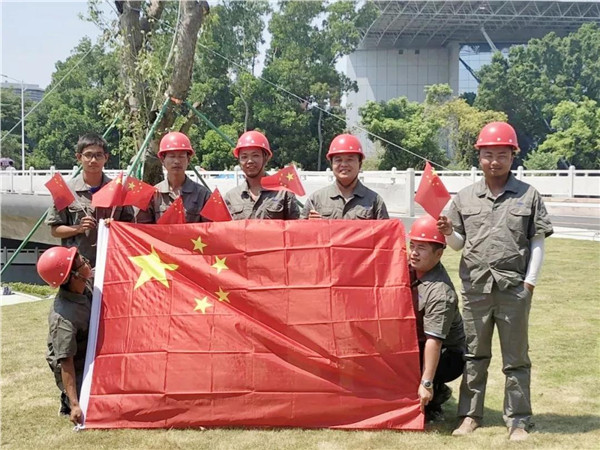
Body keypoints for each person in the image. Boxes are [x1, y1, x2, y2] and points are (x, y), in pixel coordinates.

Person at [437, 122, 553, 441]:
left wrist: (529, 284)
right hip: (476, 289)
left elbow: (538, 241)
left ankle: (518, 419)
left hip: (513, 289)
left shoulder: (528, 195)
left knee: (516, 359)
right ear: (479, 157)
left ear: (513, 156)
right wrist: (448, 233)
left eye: (502, 154)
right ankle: (469, 416)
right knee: (474, 356)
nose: (494, 161)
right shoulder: (464, 197)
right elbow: (459, 244)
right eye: (488, 154)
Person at [45, 133, 133, 267]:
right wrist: (78, 228)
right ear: (79, 157)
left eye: (98, 155)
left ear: (106, 157)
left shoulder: (117, 190)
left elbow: (131, 227)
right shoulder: (66, 190)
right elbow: (55, 230)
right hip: (78, 266)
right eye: (88, 155)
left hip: (111, 263)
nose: (93, 160)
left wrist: (116, 226)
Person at [408, 215, 465, 423]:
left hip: (447, 354)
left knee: (412, 366)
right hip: (420, 340)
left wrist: (427, 383)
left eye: (421, 248)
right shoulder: (410, 267)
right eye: (412, 245)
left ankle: (435, 394)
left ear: (439, 254)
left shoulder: (440, 292)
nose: (414, 253)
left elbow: (435, 340)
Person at [37, 246, 93, 426]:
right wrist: (75, 405)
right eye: (83, 262)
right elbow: (66, 362)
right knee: (92, 401)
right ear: (74, 276)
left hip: (88, 348)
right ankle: (67, 399)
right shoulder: (64, 319)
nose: (87, 263)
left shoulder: (84, 283)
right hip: (76, 363)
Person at [301, 134, 388, 220]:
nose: (343, 164)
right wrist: (310, 224)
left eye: (350, 159)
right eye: (338, 160)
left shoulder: (374, 201)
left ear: (360, 164)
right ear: (331, 164)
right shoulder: (316, 199)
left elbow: (386, 229)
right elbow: (299, 227)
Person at [136, 131, 211, 223]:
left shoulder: (203, 195)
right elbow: (142, 228)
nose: (176, 161)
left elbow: (211, 228)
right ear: (162, 160)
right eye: (172, 156)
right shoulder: (152, 195)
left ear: (188, 160)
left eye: (181, 156)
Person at [224, 130, 300, 220]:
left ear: (266, 158)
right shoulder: (231, 197)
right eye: (244, 157)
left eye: (255, 155)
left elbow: (296, 226)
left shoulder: (283, 193)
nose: (250, 161)